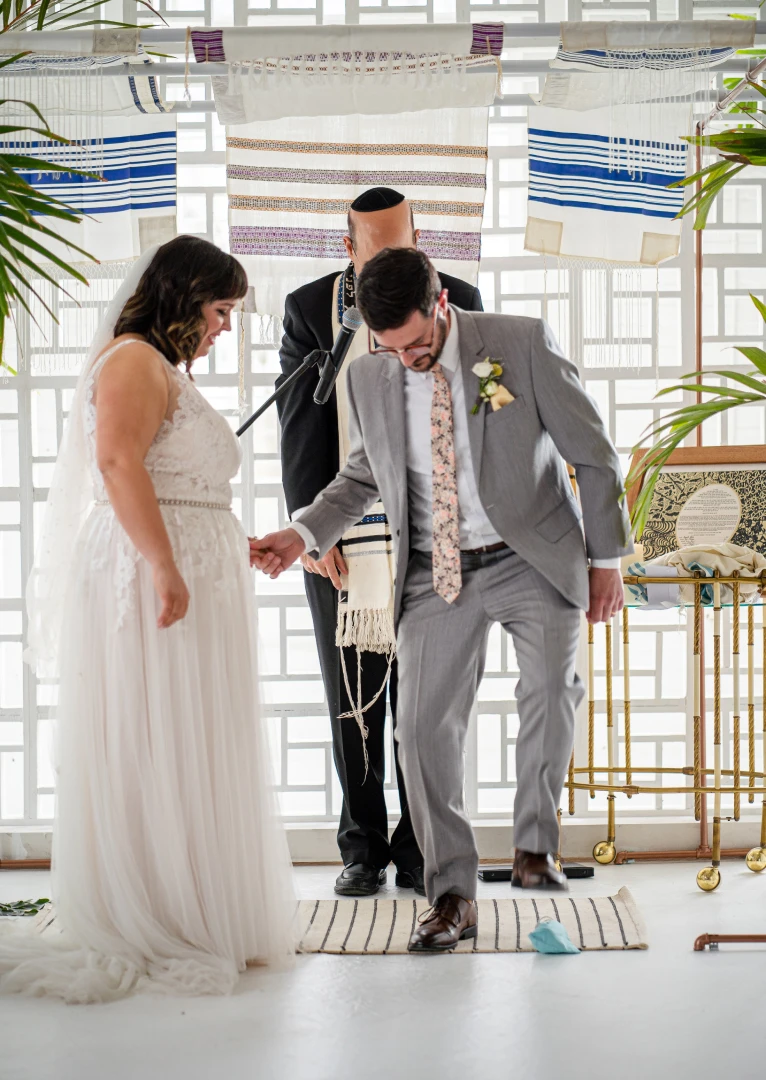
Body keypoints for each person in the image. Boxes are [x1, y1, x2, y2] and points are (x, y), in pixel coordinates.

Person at [252, 248, 631, 952]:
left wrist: (606, 560)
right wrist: (301, 530)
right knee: (418, 731)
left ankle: (533, 846)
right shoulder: (369, 376)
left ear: (442, 305)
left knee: (552, 688)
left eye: (419, 344)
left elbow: (594, 453)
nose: (409, 360)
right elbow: (364, 474)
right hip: (434, 571)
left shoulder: (518, 342)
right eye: (392, 350)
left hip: (531, 555)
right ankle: (451, 893)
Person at [0, 237, 295, 1002]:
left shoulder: (162, 368)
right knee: (155, 732)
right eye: (221, 309)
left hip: (190, 564)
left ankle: (190, 899)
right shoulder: (132, 359)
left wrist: (230, 538)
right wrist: (164, 564)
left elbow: (171, 475)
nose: (226, 325)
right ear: (183, 296)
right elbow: (117, 465)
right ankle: (152, 909)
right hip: (144, 571)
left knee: (190, 734)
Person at [276, 187, 483, 899]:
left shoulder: (459, 297)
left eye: (406, 247)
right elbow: (299, 430)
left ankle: (421, 845)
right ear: (349, 250)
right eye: (379, 250)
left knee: (426, 702)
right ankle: (361, 845)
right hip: (343, 534)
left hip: (432, 537)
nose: (396, 260)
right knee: (353, 697)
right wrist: (311, 528)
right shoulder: (311, 311)